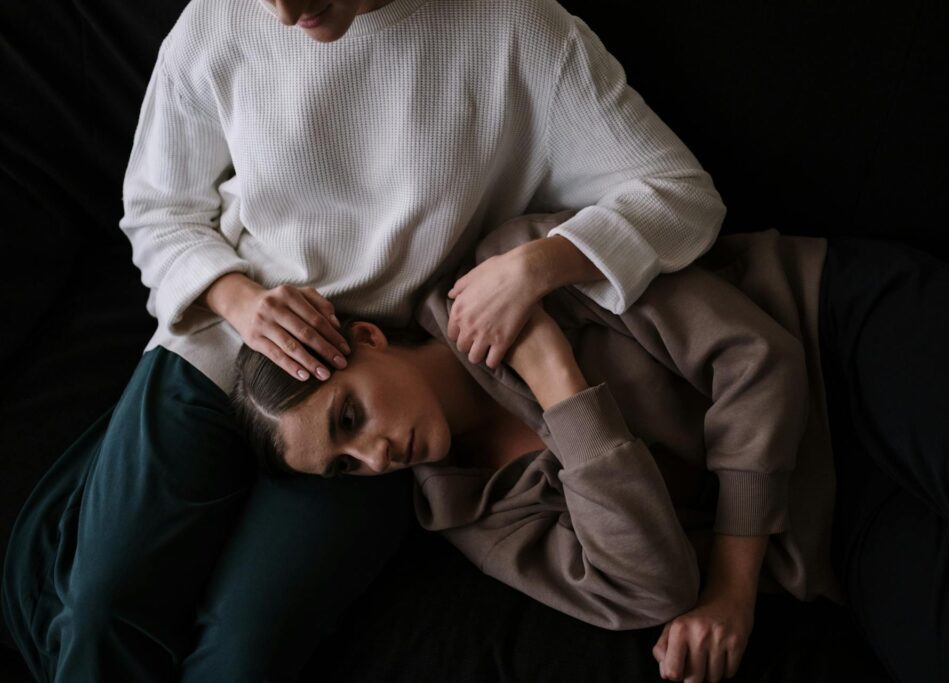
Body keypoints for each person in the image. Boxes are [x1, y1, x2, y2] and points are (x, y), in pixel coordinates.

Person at [2, 0, 726, 680]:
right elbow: (156, 209)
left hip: (372, 390)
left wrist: (535, 267)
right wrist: (240, 300)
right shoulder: (221, 20)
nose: (284, 13)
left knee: (244, 653)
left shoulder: (515, 30)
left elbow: (681, 194)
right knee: (99, 612)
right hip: (220, 339)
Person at [233, 211, 949, 683]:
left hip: (845, 341)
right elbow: (649, 589)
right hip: (835, 529)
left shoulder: (514, 264)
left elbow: (758, 358)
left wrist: (735, 583)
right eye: (345, 467)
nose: (375, 456)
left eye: (348, 418)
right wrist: (557, 379)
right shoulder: (467, 512)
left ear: (368, 338)